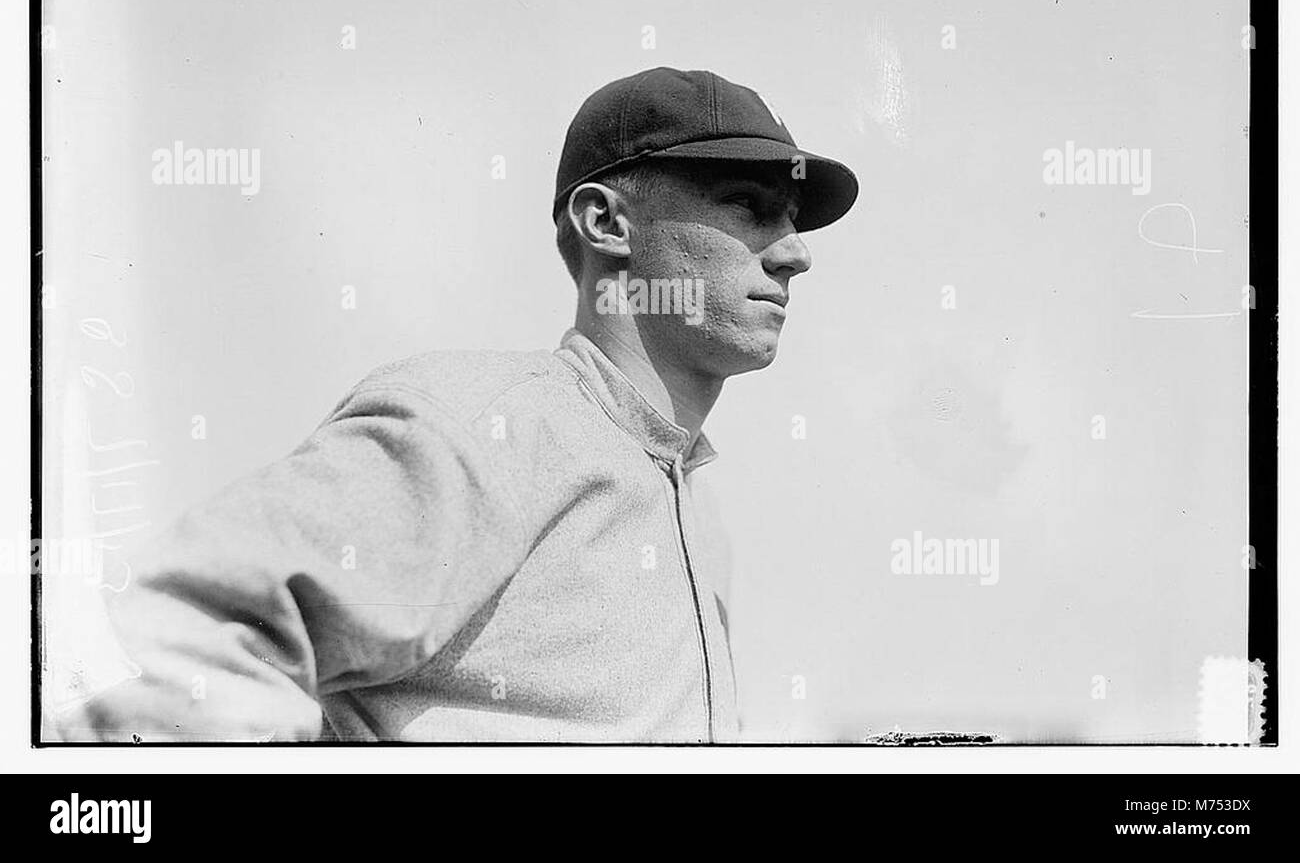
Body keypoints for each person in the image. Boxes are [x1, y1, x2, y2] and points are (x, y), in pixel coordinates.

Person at [56, 66, 858, 743]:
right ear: (606, 222)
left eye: (789, 219)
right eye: (751, 208)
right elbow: (168, 632)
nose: (794, 252)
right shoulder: (490, 430)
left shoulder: (695, 507)